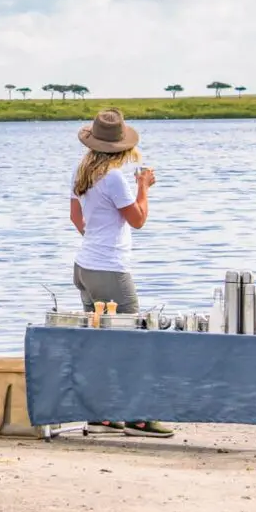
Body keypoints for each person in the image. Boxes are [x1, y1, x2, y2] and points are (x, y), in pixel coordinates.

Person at [69, 107, 173, 439]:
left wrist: (98, 238)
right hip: (110, 269)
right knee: (135, 340)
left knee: (100, 343)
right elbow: (139, 220)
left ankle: (101, 414)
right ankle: (139, 417)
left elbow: (77, 220)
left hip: (84, 266)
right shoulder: (114, 178)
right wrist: (144, 186)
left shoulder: (81, 171)